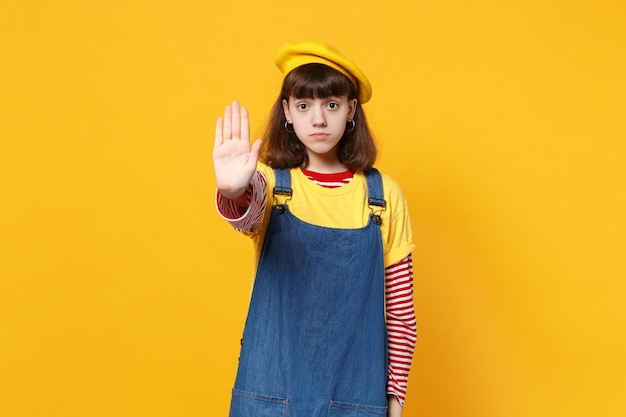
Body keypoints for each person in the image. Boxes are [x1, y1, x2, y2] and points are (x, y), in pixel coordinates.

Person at [213, 42, 416, 417]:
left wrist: (395, 402)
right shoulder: (271, 186)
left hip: (357, 399)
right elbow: (244, 211)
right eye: (304, 106)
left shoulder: (384, 197)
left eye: (332, 105)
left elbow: (402, 314)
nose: (318, 119)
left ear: (351, 109)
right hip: (268, 395)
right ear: (287, 111)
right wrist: (232, 190)